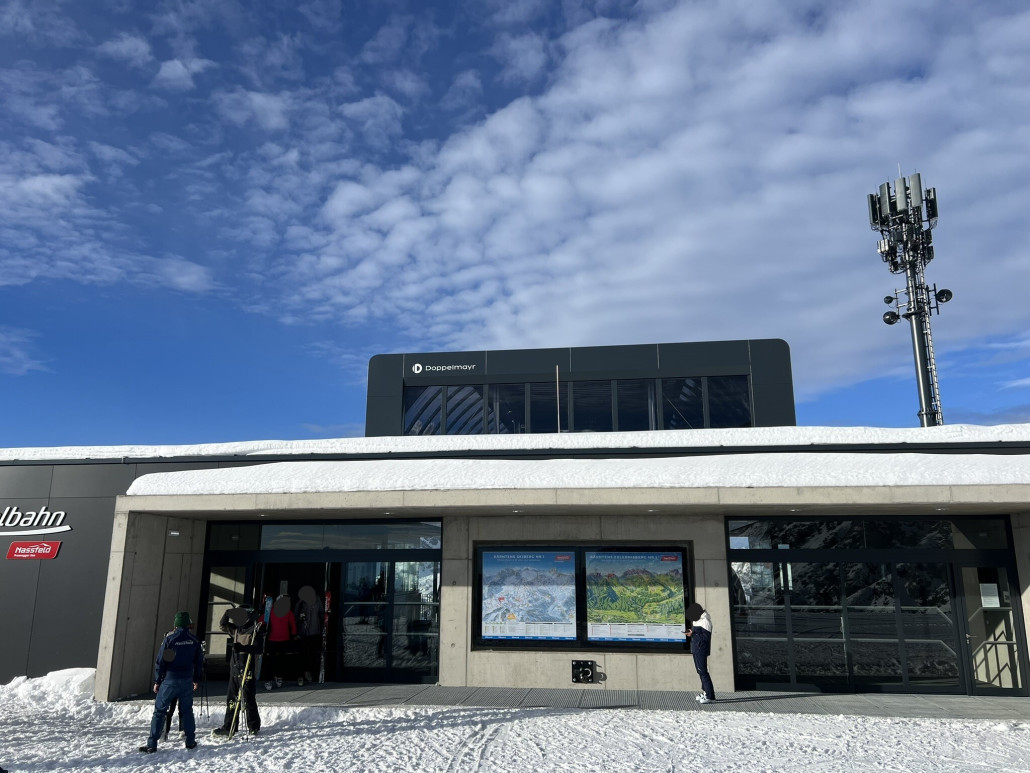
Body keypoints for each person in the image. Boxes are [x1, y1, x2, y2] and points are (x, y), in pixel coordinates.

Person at [139, 611, 203, 753]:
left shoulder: (170, 640)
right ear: (188, 624)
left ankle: (152, 744)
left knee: (160, 712)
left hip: (170, 680)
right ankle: (190, 741)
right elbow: (199, 663)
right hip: (186, 680)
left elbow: (161, 661)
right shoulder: (194, 641)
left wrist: (158, 680)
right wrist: (196, 680)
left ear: (175, 625)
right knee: (187, 711)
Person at [213, 605, 265, 737]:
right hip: (234, 667)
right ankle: (229, 726)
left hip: (246, 667)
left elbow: (259, 649)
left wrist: (242, 648)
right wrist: (227, 613)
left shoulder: (255, 630)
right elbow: (222, 625)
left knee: (248, 698)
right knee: (231, 699)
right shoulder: (236, 629)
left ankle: (253, 725)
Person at [263, 595, 297, 690]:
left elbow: (292, 622)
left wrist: (294, 634)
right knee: (270, 660)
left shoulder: (287, 612)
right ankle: (268, 679)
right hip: (272, 639)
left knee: (281, 660)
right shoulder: (271, 611)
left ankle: (279, 676)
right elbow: (263, 619)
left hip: (284, 640)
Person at [684, 601, 715, 704]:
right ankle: (705, 692)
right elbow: (698, 634)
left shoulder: (705, 620)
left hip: (701, 649)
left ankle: (710, 696)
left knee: (703, 671)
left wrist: (693, 633)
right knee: (699, 671)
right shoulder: (698, 620)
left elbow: (706, 637)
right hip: (696, 648)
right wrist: (692, 633)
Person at [294, 586, 323, 685]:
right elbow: (296, 615)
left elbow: (322, 614)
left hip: (314, 632)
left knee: (312, 654)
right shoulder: (301, 602)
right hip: (303, 633)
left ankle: (309, 673)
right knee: (303, 654)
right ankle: (302, 675)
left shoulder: (317, 601)